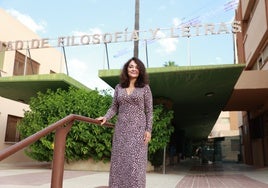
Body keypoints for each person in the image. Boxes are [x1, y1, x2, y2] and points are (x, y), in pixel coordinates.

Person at [96, 57, 153, 188]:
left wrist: (148, 130)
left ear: (140, 71)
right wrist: (106, 117)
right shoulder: (119, 87)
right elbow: (114, 107)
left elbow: (149, 111)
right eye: (131, 66)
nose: (134, 69)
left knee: (135, 166)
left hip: (138, 132)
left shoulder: (145, 88)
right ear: (126, 69)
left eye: (136, 67)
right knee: (119, 164)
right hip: (121, 132)